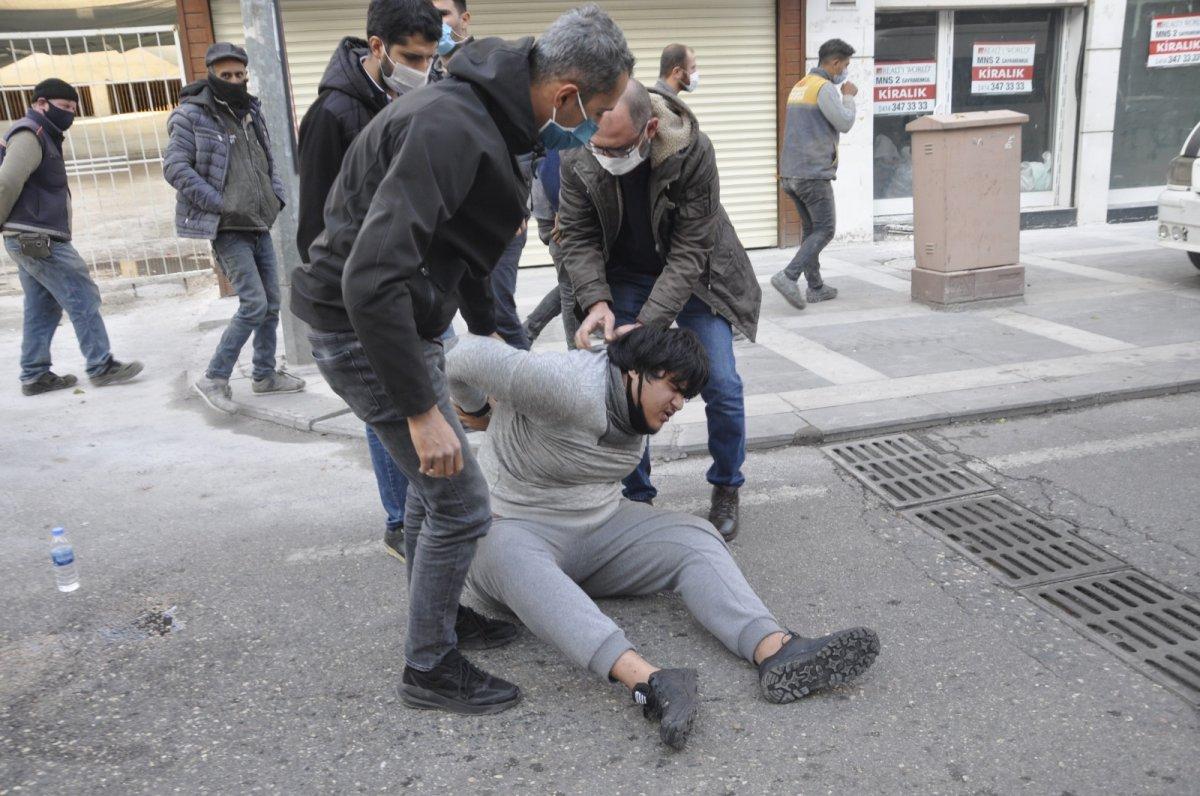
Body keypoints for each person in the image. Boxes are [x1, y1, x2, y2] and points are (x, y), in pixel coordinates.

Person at [289, 4, 635, 715]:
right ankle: (430, 667)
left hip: (404, 321)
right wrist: (422, 412)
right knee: (462, 501)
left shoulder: (490, 112)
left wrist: (498, 356)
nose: (592, 126)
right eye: (595, 111)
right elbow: (370, 279)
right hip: (362, 329)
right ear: (566, 92)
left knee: (434, 488)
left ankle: (440, 618)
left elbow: (468, 257)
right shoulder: (453, 124)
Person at [445, 327, 880, 750]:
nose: (678, 404)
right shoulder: (564, 383)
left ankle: (774, 649)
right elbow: (460, 356)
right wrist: (479, 411)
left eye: (686, 396)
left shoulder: (636, 406)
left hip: (597, 527)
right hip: (515, 526)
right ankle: (652, 682)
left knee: (693, 535)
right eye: (673, 388)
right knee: (507, 556)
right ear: (636, 371)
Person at [295, 0, 464, 573]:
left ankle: (415, 535)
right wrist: (362, 304)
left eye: (429, 56)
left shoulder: (412, 97)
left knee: (425, 443)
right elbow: (316, 231)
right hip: (363, 304)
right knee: (400, 420)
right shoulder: (334, 113)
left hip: (407, 293)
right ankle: (398, 521)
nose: (422, 67)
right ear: (375, 48)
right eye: (409, 57)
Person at [559, 79, 760, 541]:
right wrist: (597, 301)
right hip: (624, 276)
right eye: (599, 148)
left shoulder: (691, 150)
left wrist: (648, 325)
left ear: (650, 128)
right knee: (621, 388)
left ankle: (727, 485)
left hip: (698, 278)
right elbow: (578, 234)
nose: (607, 159)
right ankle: (636, 497)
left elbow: (692, 247)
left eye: (620, 149)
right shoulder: (576, 149)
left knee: (723, 385)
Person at [165, 42, 303, 412]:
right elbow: (175, 168)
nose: (234, 80)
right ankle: (214, 377)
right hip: (227, 228)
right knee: (254, 303)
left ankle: (264, 374)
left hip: (258, 223)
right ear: (211, 75)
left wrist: (274, 197)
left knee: (272, 303)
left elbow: (265, 160)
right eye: (225, 75)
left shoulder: (250, 111)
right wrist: (219, 203)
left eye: (239, 75)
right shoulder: (191, 115)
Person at [0, 78, 143, 395]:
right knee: (82, 294)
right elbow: (6, 182)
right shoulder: (30, 134)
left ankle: (34, 375)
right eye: (64, 107)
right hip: (36, 237)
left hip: (30, 236)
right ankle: (101, 365)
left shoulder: (45, 134)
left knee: (42, 306)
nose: (69, 114)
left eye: (74, 109)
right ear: (41, 104)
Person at [771, 38, 858, 309]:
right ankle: (788, 275)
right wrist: (849, 96)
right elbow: (844, 123)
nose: (844, 70)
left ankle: (816, 286)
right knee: (825, 229)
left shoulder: (800, 86)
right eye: (844, 65)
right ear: (834, 63)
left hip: (790, 173)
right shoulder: (824, 89)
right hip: (812, 174)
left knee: (811, 230)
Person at [520, 148, 579, 347]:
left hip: (552, 212)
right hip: (558, 216)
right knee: (570, 286)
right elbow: (551, 168)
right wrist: (562, 210)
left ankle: (528, 331)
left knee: (574, 281)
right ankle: (576, 355)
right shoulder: (560, 125)